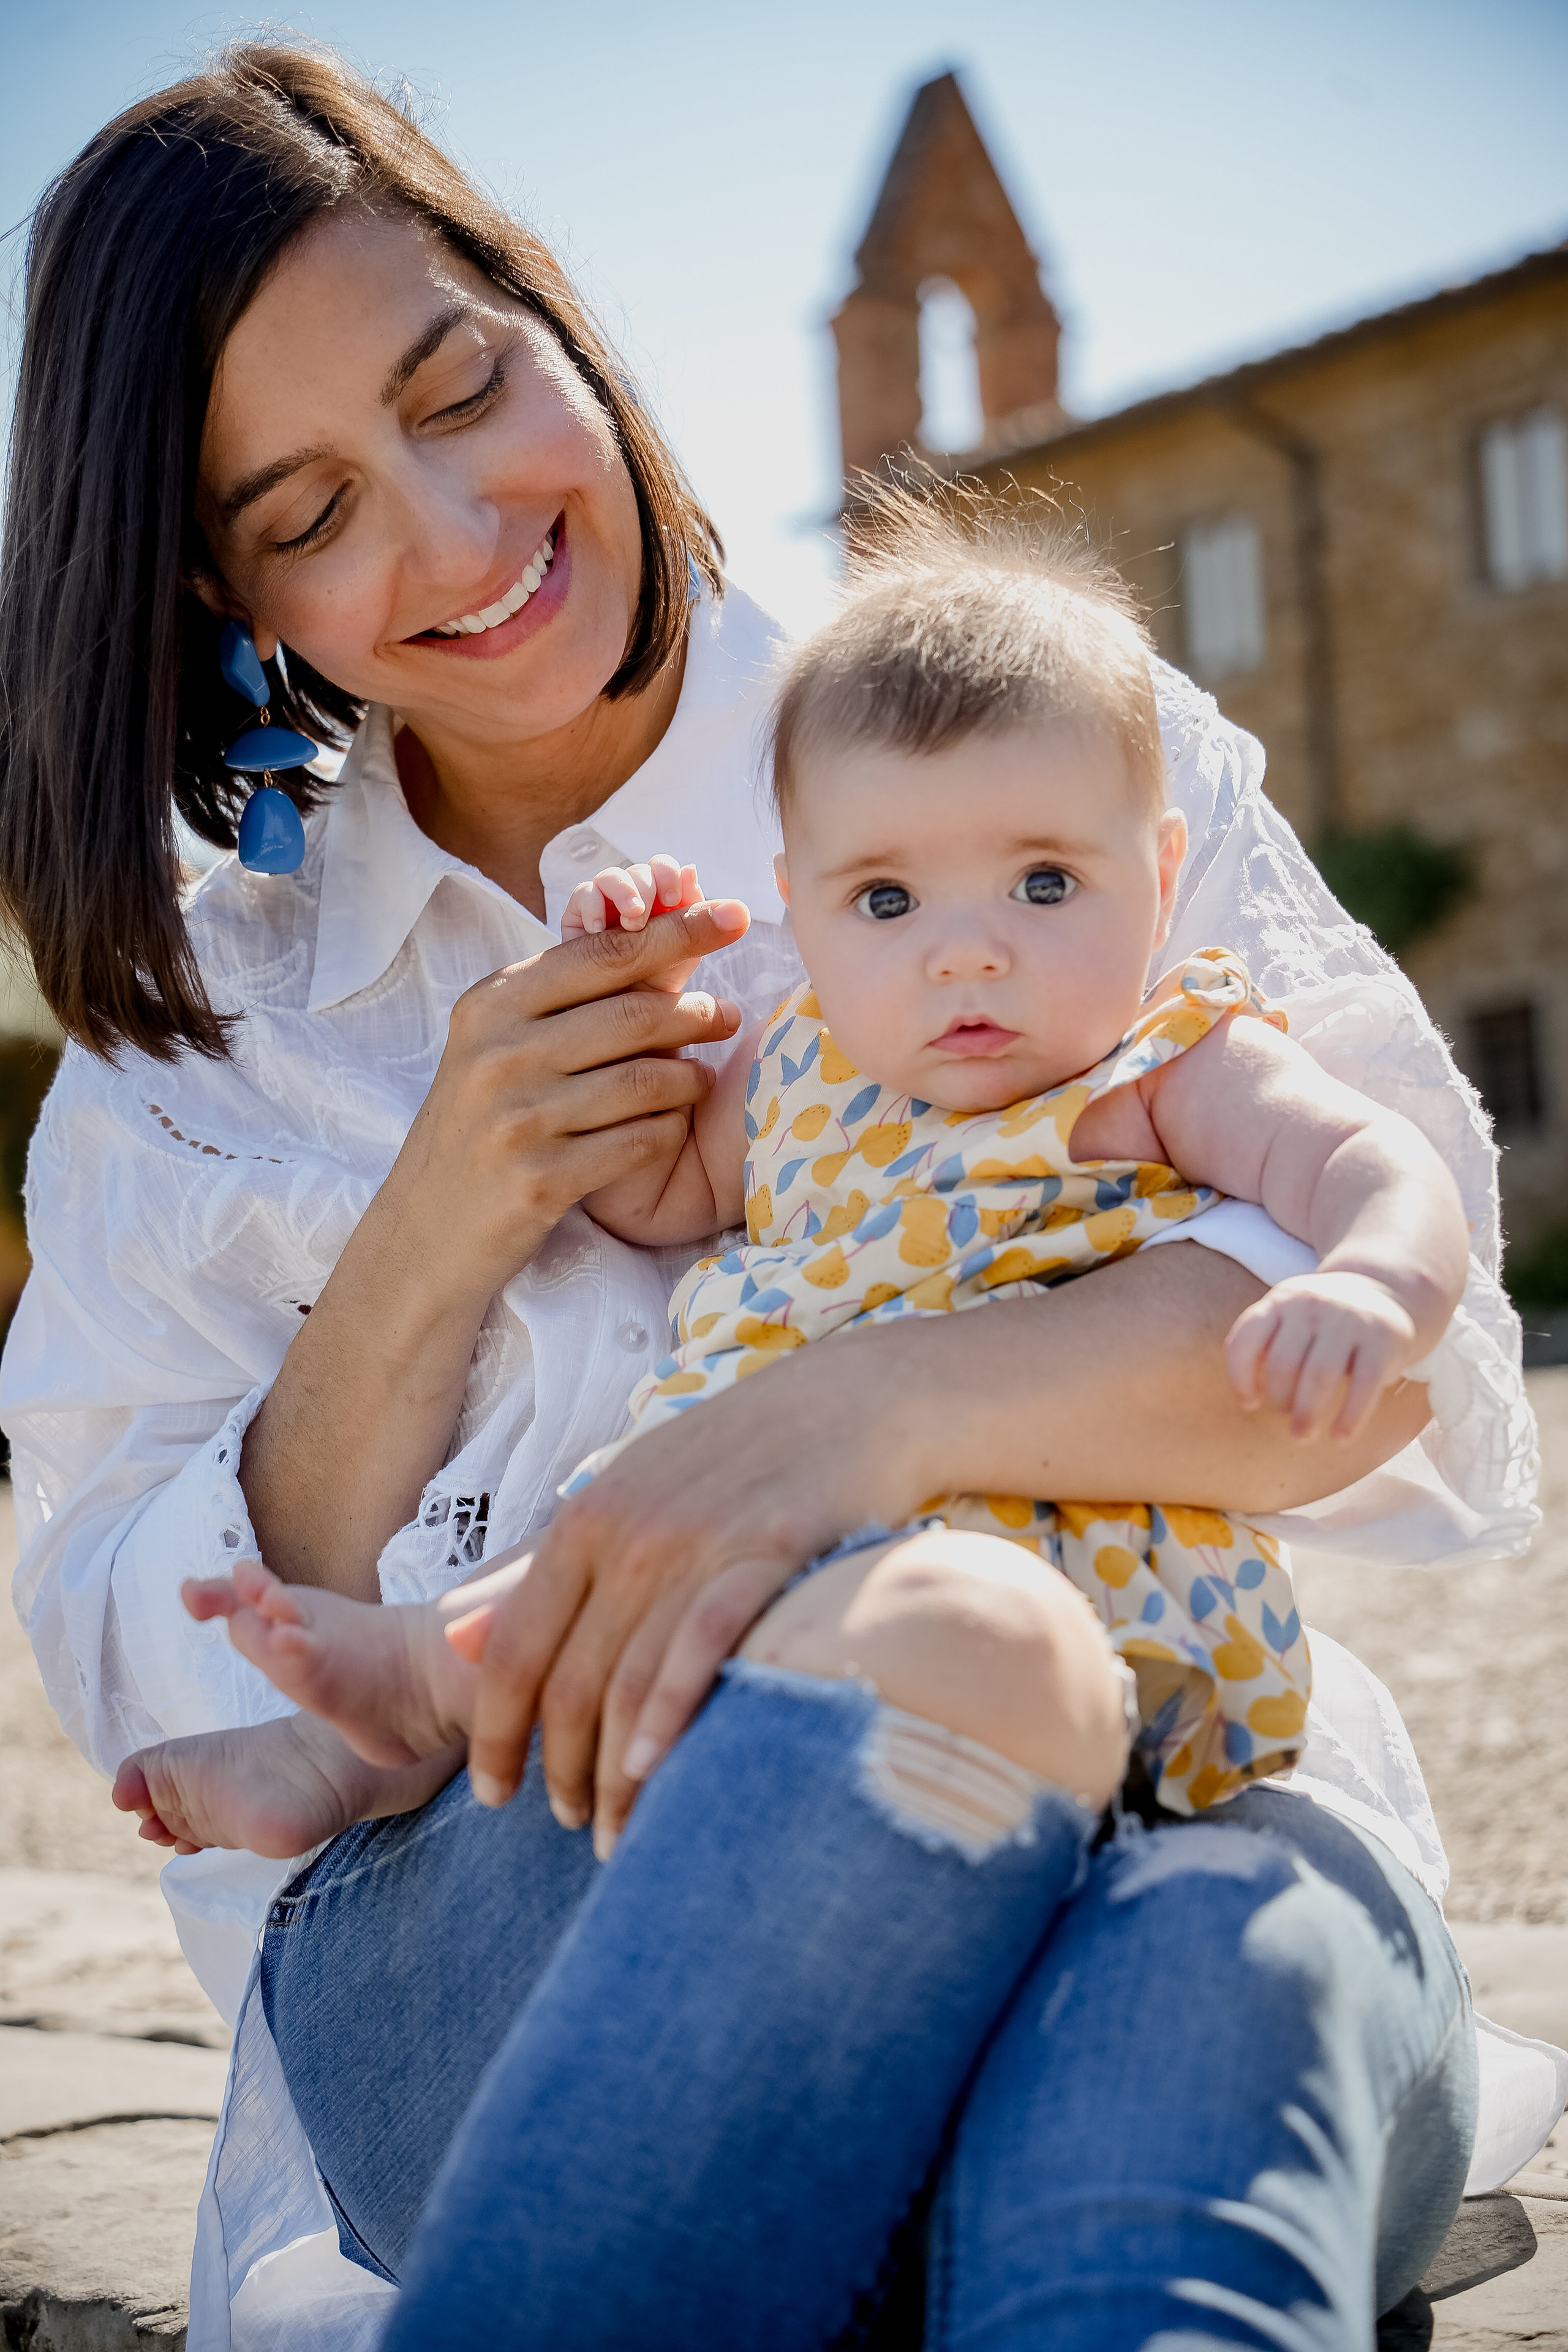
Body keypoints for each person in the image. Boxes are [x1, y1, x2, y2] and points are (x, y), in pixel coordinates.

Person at [0, 39, 1550, 2352]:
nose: (448, 535)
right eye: (308, 512)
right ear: (222, 598)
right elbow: (149, 1664)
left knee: (1204, 1974)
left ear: (561, 328)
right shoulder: (198, 1044)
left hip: (1193, 1822)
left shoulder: (1031, 747)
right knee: (983, 1674)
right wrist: (428, 1243)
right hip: (510, 1941)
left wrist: (853, 1420)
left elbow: (1373, 1343)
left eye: (460, 389)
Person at [113, 497, 1477, 1860]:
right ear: (798, 900)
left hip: (1046, 1572)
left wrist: (1369, 1281)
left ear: (1158, 870)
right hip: (736, 1535)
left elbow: (1369, 1162)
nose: (966, 953)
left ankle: (418, 1701)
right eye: (886, 901)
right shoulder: (799, 1068)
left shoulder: (1163, 1063)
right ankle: (375, 1725)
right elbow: (653, 1202)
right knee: (619, 1533)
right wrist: (639, 993)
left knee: (700, 1575)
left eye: (1044, 884)